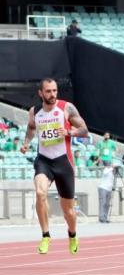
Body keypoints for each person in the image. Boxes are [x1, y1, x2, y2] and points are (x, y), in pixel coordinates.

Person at [20, 78, 88, 254]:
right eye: (48, 91)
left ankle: (72, 235)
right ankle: (45, 235)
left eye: (55, 91)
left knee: (69, 212)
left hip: (63, 162)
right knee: (40, 192)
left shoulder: (66, 108)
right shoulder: (34, 112)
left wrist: (69, 131)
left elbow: (84, 130)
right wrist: (26, 142)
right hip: (44, 160)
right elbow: (31, 128)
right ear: (40, 93)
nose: (52, 94)